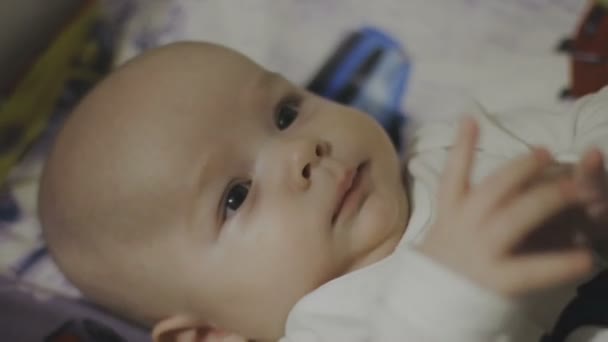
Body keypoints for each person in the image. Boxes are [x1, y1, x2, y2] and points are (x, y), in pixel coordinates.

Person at [38, 42, 608, 342]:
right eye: (235, 196)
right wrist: (453, 294)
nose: (299, 151)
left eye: (286, 113)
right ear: (210, 334)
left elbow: (588, 118)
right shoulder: (324, 329)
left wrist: (592, 170)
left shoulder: (450, 147)